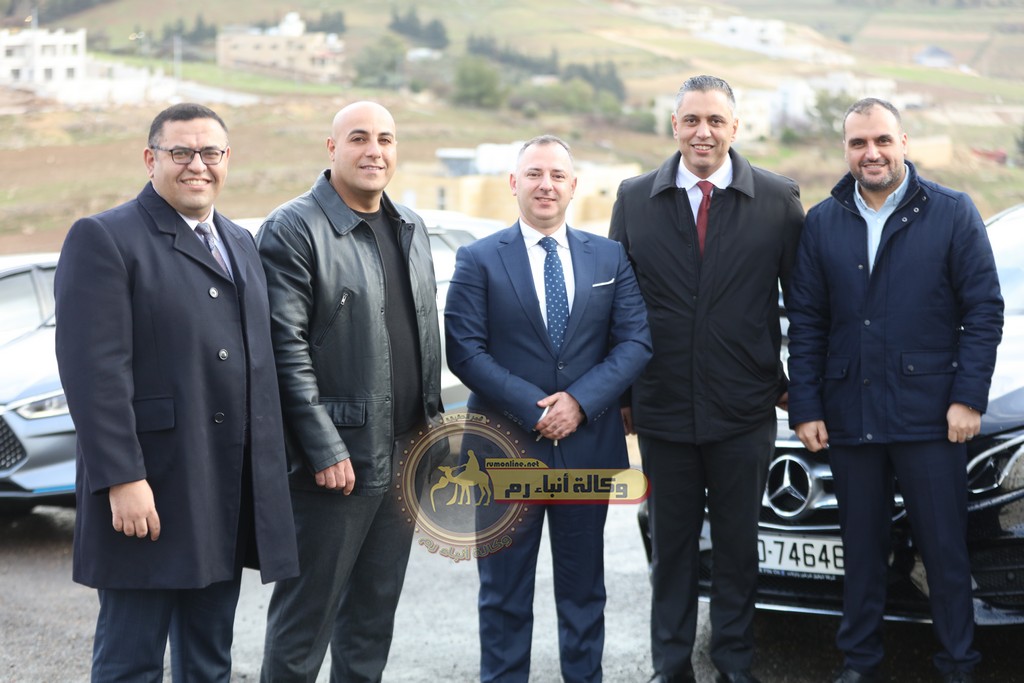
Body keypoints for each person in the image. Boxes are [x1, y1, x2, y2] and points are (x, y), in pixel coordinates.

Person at [53, 102, 299, 681]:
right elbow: (94, 375)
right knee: (131, 661)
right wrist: (122, 478)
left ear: (227, 159)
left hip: (222, 489)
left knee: (209, 660)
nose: (197, 165)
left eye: (210, 153)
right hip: (152, 486)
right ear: (150, 159)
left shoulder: (239, 240)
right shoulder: (105, 237)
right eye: (181, 152)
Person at [786, 98, 1003, 683]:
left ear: (903, 142)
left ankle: (958, 665)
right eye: (858, 143)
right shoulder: (823, 221)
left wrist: (968, 398)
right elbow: (807, 322)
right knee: (860, 552)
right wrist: (806, 405)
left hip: (930, 417)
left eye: (882, 140)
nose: (871, 153)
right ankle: (860, 664)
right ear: (846, 150)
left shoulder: (952, 212)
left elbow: (983, 311)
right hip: (849, 414)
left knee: (944, 552)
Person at [608, 75, 805, 683]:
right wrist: (623, 396)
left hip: (744, 412)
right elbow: (618, 308)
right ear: (674, 126)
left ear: (734, 128)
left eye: (716, 121)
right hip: (663, 410)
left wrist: (797, 386)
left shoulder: (777, 200)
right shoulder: (634, 199)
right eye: (692, 120)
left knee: (738, 550)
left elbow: (805, 307)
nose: (703, 132)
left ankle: (734, 666)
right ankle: (670, 669)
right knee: (671, 553)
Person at [444, 134, 652, 683]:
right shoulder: (478, 258)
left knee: (584, 594)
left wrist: (579, 403)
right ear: (513, 183)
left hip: (586, 452)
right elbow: (464, 350)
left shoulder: (608, 256)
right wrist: (536, 409)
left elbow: (635, 342)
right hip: (504, 455)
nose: (546, 185)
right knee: (503, 598)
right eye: (534, 174)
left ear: (574, 186)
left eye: (557, 175)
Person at [256, 101, 443, 682]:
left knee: (371, 623)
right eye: (359, 138)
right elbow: (283, 348)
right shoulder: (294, 227)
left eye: (385, 139)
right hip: (337, 463)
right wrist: (324, 447)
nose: (374, 151)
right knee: (304, 626)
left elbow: (421, 335)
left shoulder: (410, 226)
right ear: (331, 148)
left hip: (405, 452)